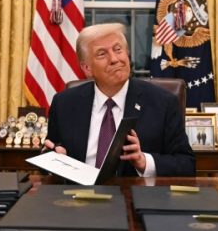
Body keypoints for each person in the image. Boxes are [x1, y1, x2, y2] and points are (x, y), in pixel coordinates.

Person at [44, 23, 195, 177]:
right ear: (87, 68)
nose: (114, 59)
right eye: (102, 54)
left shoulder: (163, 103)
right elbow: (50, 157)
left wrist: (144, 162)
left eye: (118, 49)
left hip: (135, 197)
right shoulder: (64, 104)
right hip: (77, 196)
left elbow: (186, 164)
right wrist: (51, 158)